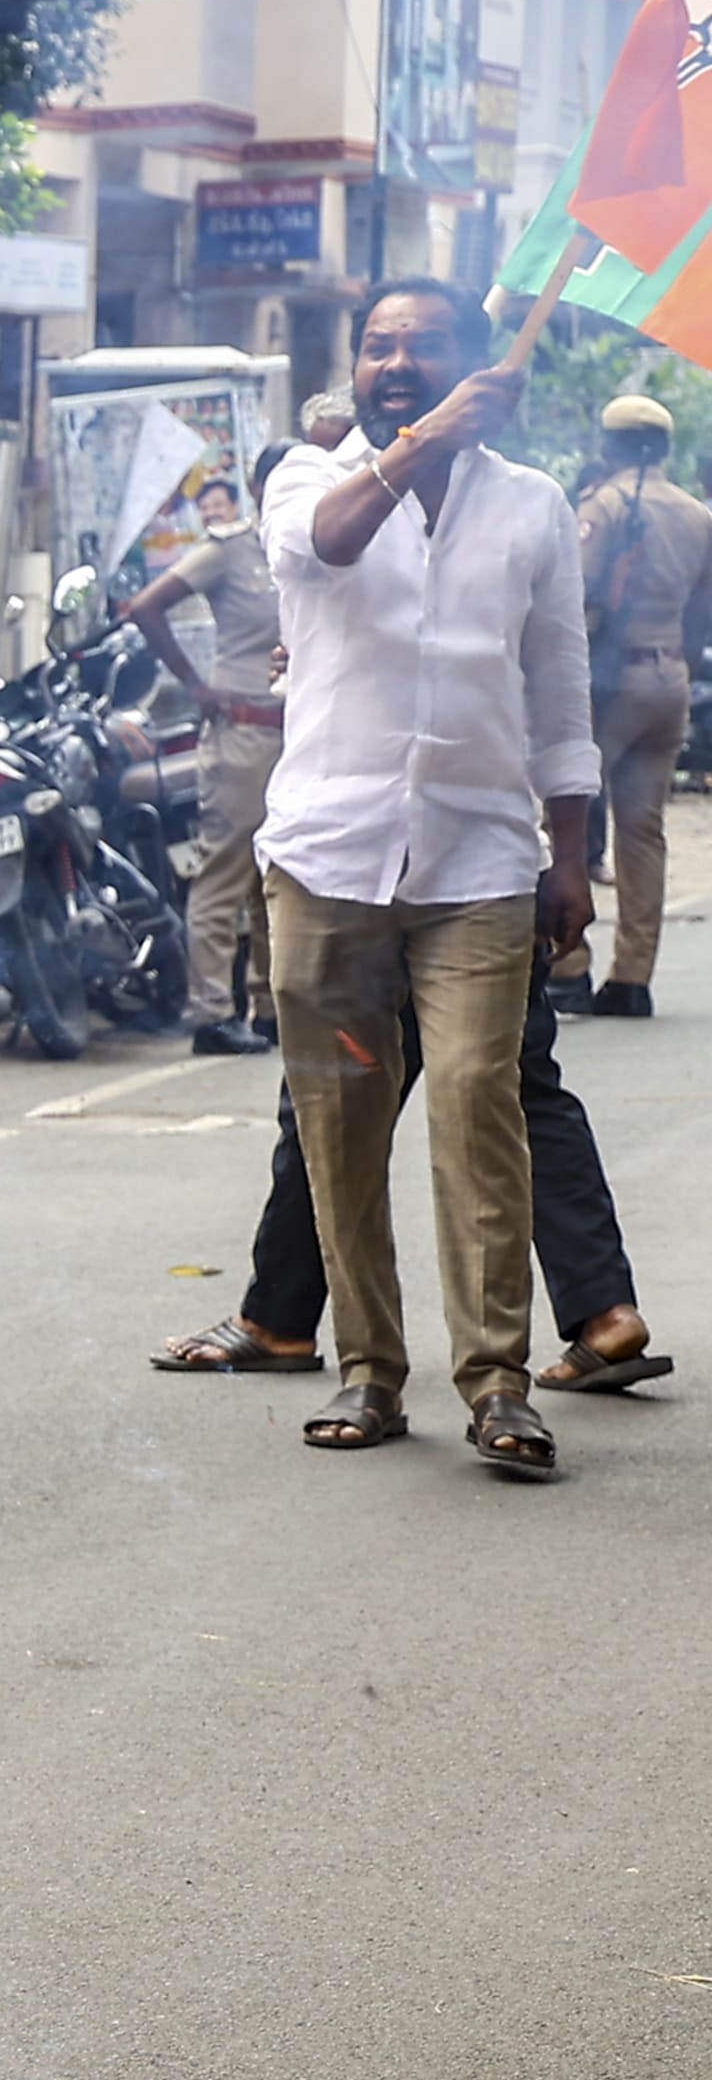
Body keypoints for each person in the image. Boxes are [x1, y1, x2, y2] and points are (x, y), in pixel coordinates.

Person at [260, 278, 600, 1478]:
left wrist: (574, 850)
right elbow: (329, 543)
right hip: (329, 861)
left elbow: (559, 688)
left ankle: (499, 1383)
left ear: (474, 360)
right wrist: (420, 443)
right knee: (342, 1123)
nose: (394, 363)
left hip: (479, 863)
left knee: (474, 1099)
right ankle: (367, 1369)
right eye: (376, 347)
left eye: (420, 346)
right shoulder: (307, 478)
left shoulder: (536, 508)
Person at [151, 984, 666, 1395]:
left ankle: (278, 1319)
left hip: (374, 900)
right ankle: (604, 1311)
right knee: (517, 1085)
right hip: (482, 892)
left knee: (331, 1095)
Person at [117, 459, 286, 1054]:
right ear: (261, 489)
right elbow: (145, 607)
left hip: (297, 735)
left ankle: (270, 1007)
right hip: (242, 732)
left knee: (281, 875)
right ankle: (212, 1010)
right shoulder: (231, 551)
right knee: (225, 874)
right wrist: (195, 684)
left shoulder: (314, 546)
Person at [563, 392, 710, 1017]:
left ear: (610, 444)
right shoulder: (697, 516)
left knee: (564, 815)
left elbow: (571, 596)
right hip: (670, 677)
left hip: (609, 683)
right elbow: (703, 612)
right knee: (643, 830)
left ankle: (568, 964)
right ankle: (632, 977)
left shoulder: (602, 506)